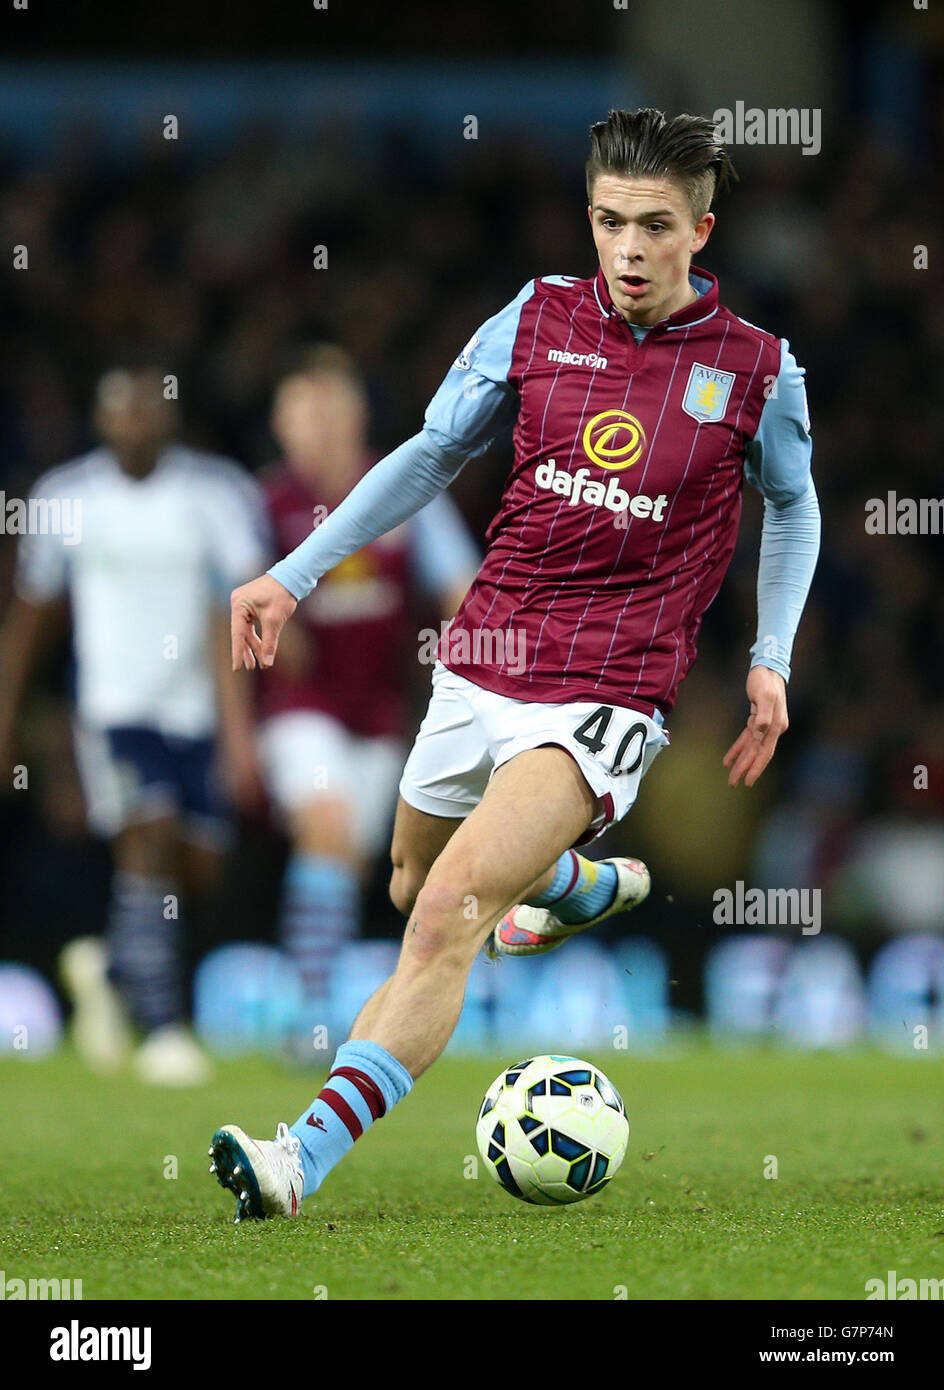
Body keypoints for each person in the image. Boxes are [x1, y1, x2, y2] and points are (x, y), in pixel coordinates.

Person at [208, 108, 820, 1218]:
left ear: (700, 230)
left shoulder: (757, 372)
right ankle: (568, 883)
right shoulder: (533, 319)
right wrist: (291, 575)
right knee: (406, 878)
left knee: (441, 913)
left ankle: (298, 1157)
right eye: (606, 222)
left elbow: (794, 507)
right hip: (485, 657)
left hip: (607, 690)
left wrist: (768, 657)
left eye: (652, 226)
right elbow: (431, 454)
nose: (626, 251)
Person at [0, 368, 268, 1084]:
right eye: (120, 410)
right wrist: (10, 716)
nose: (135, 423)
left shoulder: (214, 493)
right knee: (146, 837)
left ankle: (112, 966)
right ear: (101, 418)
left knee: (197, 867)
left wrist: (240, 731)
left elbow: (239, 609)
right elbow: (32, 618)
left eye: (148, 408)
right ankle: (161, 1028)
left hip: (193, 711)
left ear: (168, 414)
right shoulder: (67, 497)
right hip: (112, 711)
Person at [256, 345, 479, 1033]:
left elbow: (460, 590)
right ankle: (314, 1015)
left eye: (331, 412)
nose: (317, 428)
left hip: (381, 715)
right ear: (280, 425)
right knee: (326, 823)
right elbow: (231, 590)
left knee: (348, 857)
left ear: (357, 418)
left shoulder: (404, 492)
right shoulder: (266, 503)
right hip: (301, 706)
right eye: (303, 415)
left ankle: (315, 993)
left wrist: (469, 676)